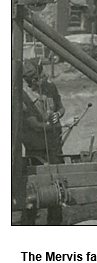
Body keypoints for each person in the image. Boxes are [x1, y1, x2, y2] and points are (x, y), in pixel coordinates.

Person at [21, 60, 65, 225]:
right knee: (34, 185)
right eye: (40, 77)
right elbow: (32, 124)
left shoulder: (50, 87)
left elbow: (60, 107)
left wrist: (58, 115)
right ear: (31, 81)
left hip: (54, 143)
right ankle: (28, 223)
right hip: (36, 146)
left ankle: (55, 223)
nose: (44, 79)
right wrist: (47, 126)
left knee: (57, 181)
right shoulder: (22, 95)